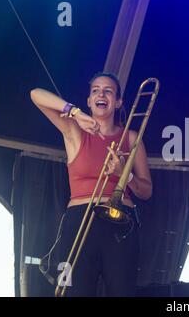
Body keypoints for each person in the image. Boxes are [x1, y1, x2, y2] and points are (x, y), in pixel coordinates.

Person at [30, 72, 152, 296]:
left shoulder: (132, 138)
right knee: (76, 291)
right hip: (79, 218)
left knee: (122, 292)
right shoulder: (74, 130)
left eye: (108, 91)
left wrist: (127, 174)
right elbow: (36, 95)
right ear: (89, 100)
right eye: (95, 90)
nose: (101, 94)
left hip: (120, 221)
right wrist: (75, 112)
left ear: (118, 102)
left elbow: (146, 191)